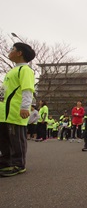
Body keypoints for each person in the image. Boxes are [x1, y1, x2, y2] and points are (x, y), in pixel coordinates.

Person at [0, 42, 35, 177]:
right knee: (4, 139)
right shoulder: (12, 70)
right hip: (4, 112)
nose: (10, 51)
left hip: (15, 111)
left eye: (12, 49)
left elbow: (27, 90)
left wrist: (25, 107)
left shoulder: (25, 70)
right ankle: (5, 162)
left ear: (19, 53)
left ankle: (18, 164)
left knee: (16, 139)